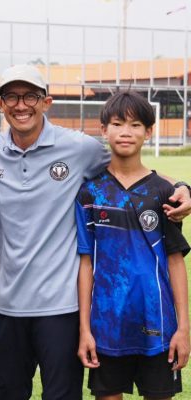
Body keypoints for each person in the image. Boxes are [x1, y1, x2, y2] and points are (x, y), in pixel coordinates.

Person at [0, 64, 191, 399]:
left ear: (46, 102)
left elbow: (132, 170)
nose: (21, 105)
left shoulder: (80, 148)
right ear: (0, 104)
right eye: (12, 96)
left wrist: (183, 186)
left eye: (30, 96)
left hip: (63, 308)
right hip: (8, 305)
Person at [76, 90, 190, 400]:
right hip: (106, 326)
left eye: (135, 125)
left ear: (148, 132)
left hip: (159, 325)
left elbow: (175, 261)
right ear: (104, 130)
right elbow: (86, 263)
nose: (126, 132)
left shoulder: (164, 192)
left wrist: (183, 328)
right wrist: (85, 329)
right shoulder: (90, 193)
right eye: (117, 123)